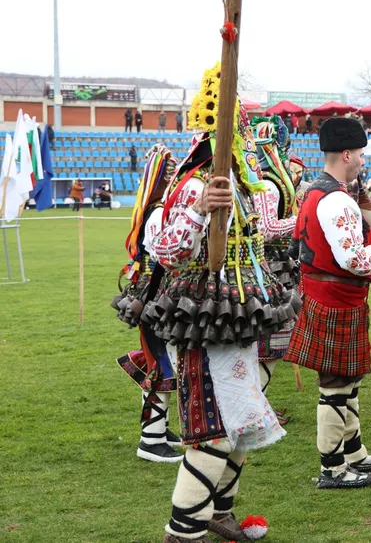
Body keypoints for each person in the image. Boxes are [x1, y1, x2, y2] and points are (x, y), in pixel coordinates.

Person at [143, 64, 290, 542]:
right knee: (213, 431)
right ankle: (183, 532)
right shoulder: (193, 184)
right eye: (242, 130)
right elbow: (166, 248)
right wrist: (200, 208)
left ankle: (218, 514)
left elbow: (261, 235)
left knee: (242, 424)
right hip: (203, 321)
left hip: (240, 314)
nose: (248, 141)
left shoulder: (244, 183)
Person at [285, 117, 371, 489]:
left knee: (348, 382)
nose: (362, 161)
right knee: (336, 385)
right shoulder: (336, 199)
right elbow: (352, 259)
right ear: (345, 154)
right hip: (335, 298)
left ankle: (354, 454)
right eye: (359, 154)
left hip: (333, 296)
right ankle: (333, 468)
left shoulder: (317, 192)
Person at [111, 144, 182, 463]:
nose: (176, 176)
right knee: (160, 364)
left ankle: (159, 427)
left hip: (158, 295)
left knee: (162, 359)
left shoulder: (161, 209)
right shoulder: (157, 213)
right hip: (155, 297)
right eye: (170, 173)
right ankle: (151, 439)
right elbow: (154, 261)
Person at [250, 117, 304, 408]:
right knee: (272, 341)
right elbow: (268, 228)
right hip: (271, 270)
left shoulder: (269, 181)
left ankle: (259, 407)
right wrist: (300, 220)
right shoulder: (270, 184)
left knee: (275, 341)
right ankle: (255, 408)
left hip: (278, 267)